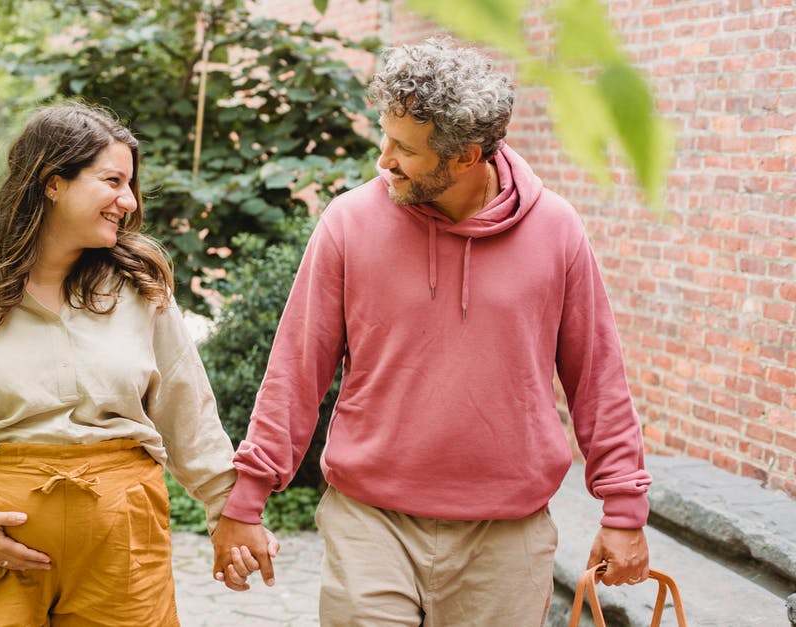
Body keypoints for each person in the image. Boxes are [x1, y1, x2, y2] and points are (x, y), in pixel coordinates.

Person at [209, 38, 652, 625]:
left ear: (466, 156)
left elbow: (597, 377)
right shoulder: (349, 222)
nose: (383, 159)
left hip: (505, 533)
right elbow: (297, 369)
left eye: (405, 149)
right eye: (386, 137)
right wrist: (247, 497)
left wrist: (623, 509)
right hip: (371, 521)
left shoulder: (557, 231)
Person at [0, 102, 274, 626]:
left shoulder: (141, 289)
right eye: (112, 181)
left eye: (130, 184)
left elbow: (187, 411)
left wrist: (231, 515)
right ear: (52, 181)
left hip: (121, 554)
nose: (127, 201)